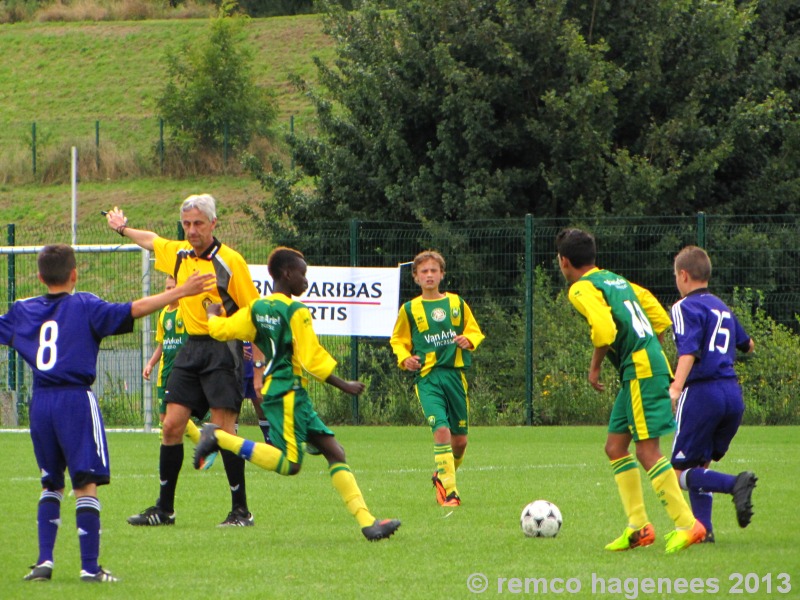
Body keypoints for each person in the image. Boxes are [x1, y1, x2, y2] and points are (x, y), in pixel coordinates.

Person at [0, 244, 213, 583]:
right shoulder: (85, 305)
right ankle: (89, 568)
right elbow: (135, 308)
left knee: (51, 483)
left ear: (40, 277)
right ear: (74, 274)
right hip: (74, 401)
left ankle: (44, 562)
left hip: (40, 405)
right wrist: (182, 291)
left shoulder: (23, 309)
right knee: (85, 485)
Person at [193, 247, 401, 541]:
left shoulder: (257, 309)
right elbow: (311, 357)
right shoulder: (295, 311)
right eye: (303, 273)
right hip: (287, 392)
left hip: (287, 393)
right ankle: (218, 437)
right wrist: (344, 384)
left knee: (334, 451)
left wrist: (212, 316)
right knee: (290, 464)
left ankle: (368, 524)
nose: (306, 280)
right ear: (287, 274)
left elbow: (225, 330)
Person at [106, 194, 260, 527]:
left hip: (224, 348)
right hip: (191, 349)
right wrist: (123, 229)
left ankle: (241, 511)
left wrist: (259, 368)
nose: (191, 230)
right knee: (171, 425)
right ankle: (165, 509)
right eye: (187, 224)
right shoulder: (179, 254)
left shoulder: (232, 261)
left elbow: (255, 314)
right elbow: (151, 241)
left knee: (224, 430)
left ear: (214, 223)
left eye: (198, 224)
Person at [555, 228, 705, 554]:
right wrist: (649, 348)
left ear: (564, 261)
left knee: (647, 452)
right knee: (615, 446)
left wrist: (595, 367)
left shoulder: (580, 288)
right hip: (638, 369)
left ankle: (687, 524)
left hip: (640, 371)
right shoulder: (616, 280)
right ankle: (639, 527)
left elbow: (605, 330)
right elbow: (656, 314)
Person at [669, 245, 757, 542]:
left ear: (683, 275)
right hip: (731, 394)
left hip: (702, 393)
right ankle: (703, 530)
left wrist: (676, 388)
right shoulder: (722, 307)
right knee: (701, 465)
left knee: (677, 472)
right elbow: (749, 345)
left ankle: (736, 484)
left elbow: (688, 350)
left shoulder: (684, 307)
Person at [390, 250, 484, 508]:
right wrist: (404, 358)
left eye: (433, 270)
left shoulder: (456, 304)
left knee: (460, 442)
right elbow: (398, 340)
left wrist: (469, 340)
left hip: (455, 377)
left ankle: (441, 474)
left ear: (442, 274)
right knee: (441, 430)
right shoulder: (410, 309)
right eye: (424, 271)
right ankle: (450, 493)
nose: (429, 275)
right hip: (428, 378)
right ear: (415, 277)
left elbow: (474, 331)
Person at [242, 340, 271, 443]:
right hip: (235, 369)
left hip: (256, 369)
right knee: (231, 414)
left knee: (264, 408)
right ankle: (230, 454)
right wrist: (236, 348)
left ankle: (271, 446)